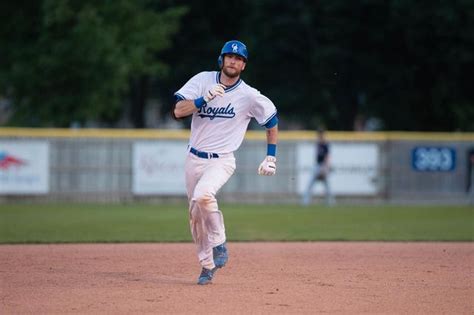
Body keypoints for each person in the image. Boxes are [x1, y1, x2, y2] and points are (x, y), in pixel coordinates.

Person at [172, 40, 279, 285]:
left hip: (221, 160)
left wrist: (271, 156)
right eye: (230, 56)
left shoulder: (249, 95)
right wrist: (202, 100)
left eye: (239, 59)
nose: (234, 61)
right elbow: (178, 110)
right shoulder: (202, 80)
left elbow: (271, 121)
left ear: (244, 65)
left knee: (204, 196)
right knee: (195, 216)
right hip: (193, 158)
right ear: (221, 60)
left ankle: (219, 242)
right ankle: (207, 266)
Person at [302, 128, 335, 206]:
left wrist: (326, 167)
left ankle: (330, 202)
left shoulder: (325, 144)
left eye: (321, 134)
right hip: (317, 166)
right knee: (311, 184)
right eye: (319, 134)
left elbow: (328, 156)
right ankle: (305, 202)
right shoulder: (318, 143)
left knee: (327, 186)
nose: (320, 136)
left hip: (323, 165)